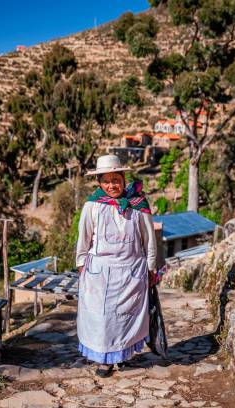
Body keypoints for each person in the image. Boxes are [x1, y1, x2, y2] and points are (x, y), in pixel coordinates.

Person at [75, 154, 158, 377]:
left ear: (123, 179)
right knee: (102, 318)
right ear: (100, 183)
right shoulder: (92, 207)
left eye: (116, 180)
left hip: (131, 271)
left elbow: (148, 240)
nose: (112, 185)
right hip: (99, 274)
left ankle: (121, 356)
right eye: (107, 181)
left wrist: (151, 268)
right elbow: (84, 238)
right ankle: (104, 360)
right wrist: (81, 264)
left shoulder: (138, 206)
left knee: (125, 317)